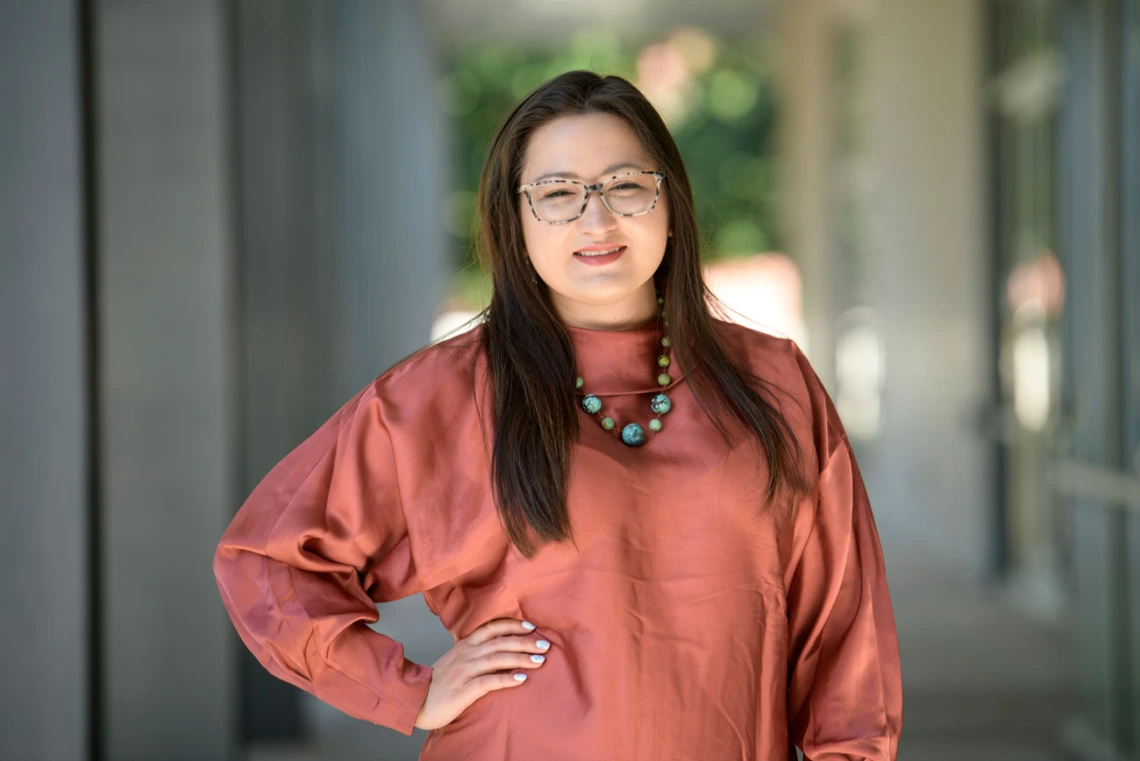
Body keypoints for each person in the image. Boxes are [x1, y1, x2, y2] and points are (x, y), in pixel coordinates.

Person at [213, 69, 903, 761]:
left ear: (671, 201)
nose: (595, 220)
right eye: (558, 193)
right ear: (514, 216)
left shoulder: (773, 380)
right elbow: (266, 564)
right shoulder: (441, 395)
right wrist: (408, 688)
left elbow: (844, 629)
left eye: (625, 185)